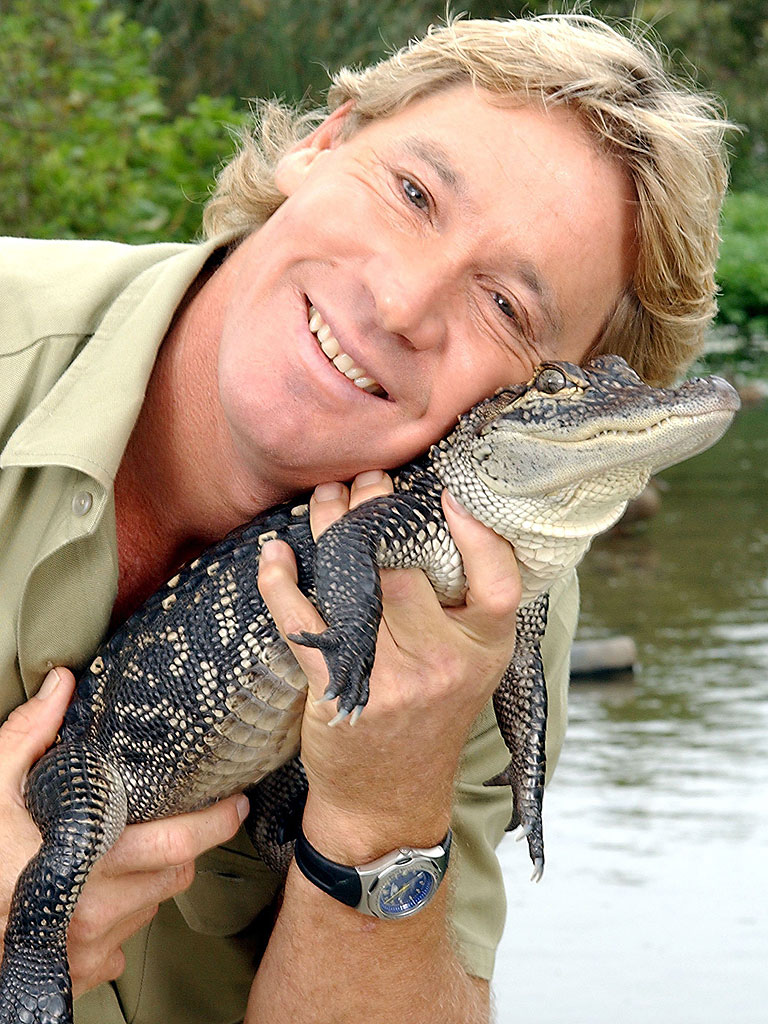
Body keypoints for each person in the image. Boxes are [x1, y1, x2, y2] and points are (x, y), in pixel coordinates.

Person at [0, 13, 729, 1024]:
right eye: (414, 193)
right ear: (323, 141)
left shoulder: (483, 601)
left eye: (508, 308)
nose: (399, 301)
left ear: (528, 392)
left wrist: (384, 804)